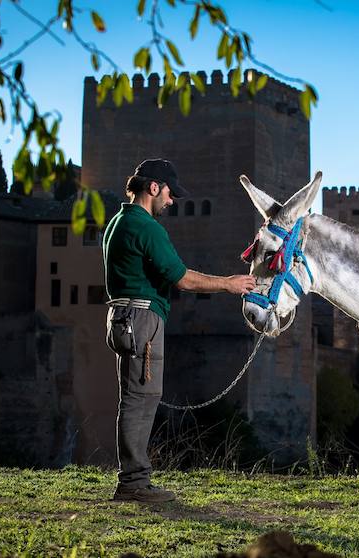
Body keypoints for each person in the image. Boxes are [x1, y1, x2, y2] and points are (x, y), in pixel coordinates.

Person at [102, 158, 255, 503]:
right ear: (154, 187)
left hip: (122, 317)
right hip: (142, 320)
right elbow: (182, 278)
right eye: (170, 193)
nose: (171, 202)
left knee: (135, 398)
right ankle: (134, 483)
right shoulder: (146, 227)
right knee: (141, 400)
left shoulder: (117, 222)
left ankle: (133, 479)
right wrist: (229, 284)